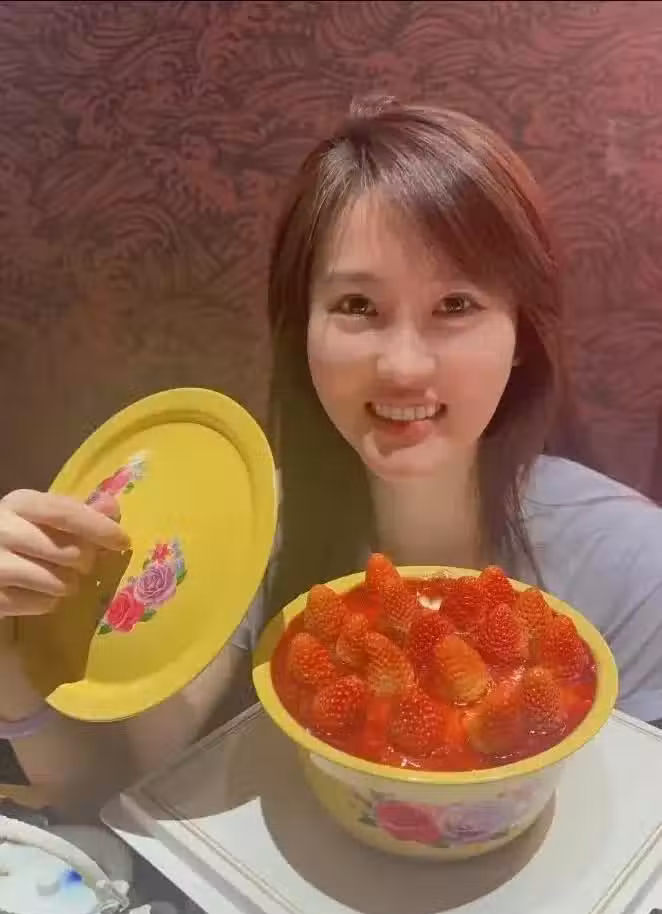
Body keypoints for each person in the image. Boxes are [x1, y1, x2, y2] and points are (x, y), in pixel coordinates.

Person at [1, 97, 661, 818]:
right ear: (302, 331)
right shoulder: (236, 537)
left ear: (522, 335)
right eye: (357, 306)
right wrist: (14, 660)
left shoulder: (633, 564)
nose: (404, 366)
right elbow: (128, 800)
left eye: (456, 305)